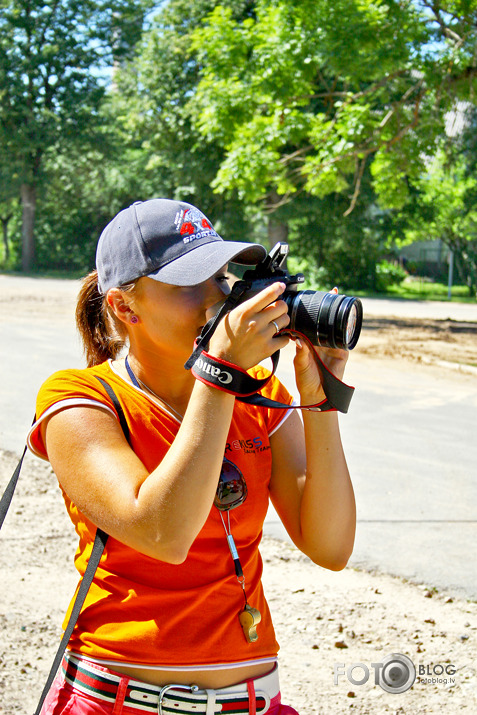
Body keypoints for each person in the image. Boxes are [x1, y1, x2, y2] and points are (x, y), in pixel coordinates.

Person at [27, 198, 356, 715]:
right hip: (116, 700)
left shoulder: (257, 395)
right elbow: (163, 532)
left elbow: (331, 546)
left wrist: (319, 401)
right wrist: (220, 369)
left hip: (251, 701)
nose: (216, 300)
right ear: (124, 307)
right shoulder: (81, 399)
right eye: (188, 285)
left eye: (221, 278)